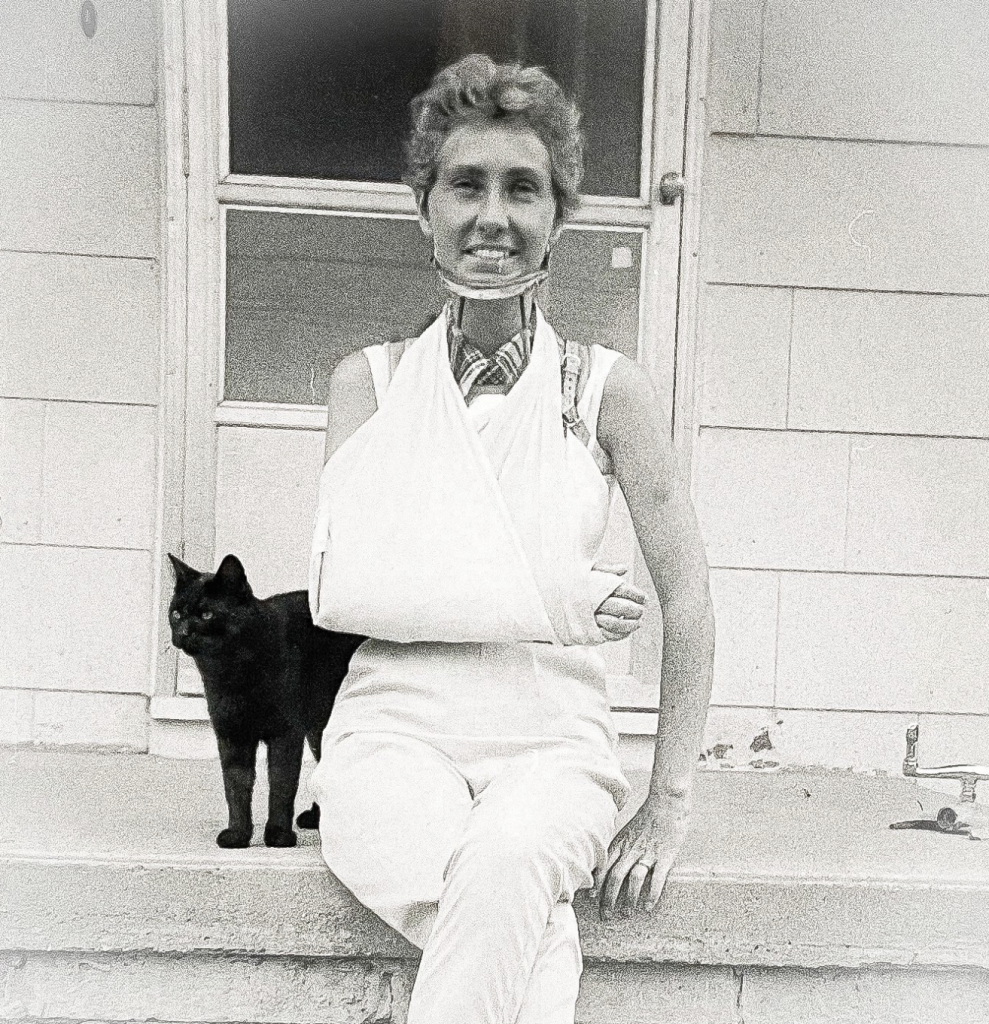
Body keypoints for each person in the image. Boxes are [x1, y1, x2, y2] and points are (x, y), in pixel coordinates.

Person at [308, 53, 714, 1024]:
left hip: (553, 746)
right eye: (465, 184)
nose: (492, 215)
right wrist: (552, 600)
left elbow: (687, 597)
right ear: (424, 208)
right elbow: (344, 587)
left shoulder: (605, 390)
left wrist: (665, 802)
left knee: (505, 856)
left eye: (521, 188)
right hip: (388, 738)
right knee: (523, 915)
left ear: (557, 215)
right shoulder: (367, 383)